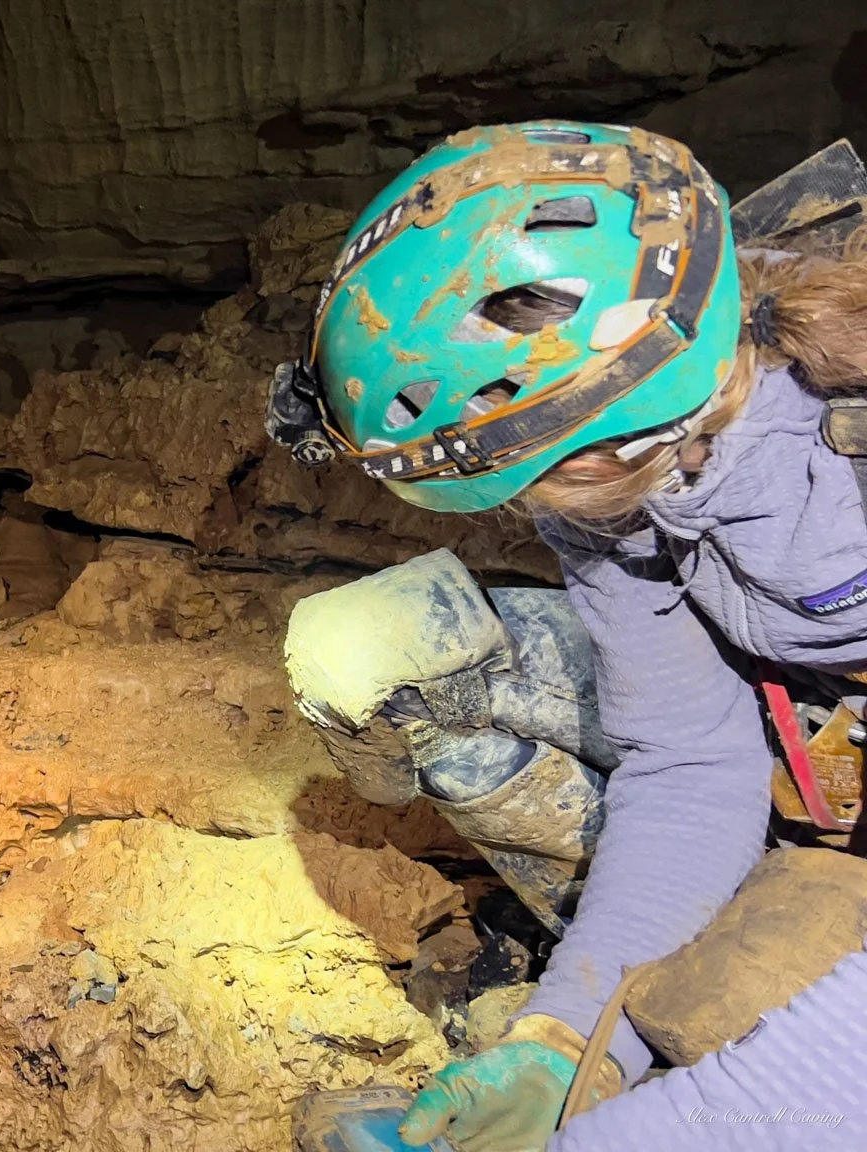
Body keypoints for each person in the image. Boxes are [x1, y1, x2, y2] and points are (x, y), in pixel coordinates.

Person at [270, 121, 867, 1150]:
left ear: (613, 443)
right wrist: (563, 1037)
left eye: (528, 488)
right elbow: (687, 758)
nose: (530, 514)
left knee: (735, 1019)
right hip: (807, 726)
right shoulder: (640, 402)